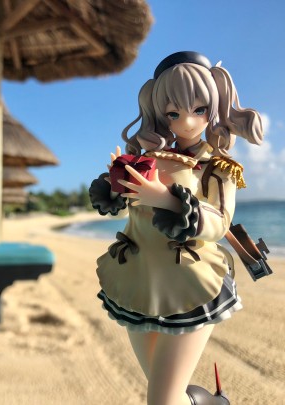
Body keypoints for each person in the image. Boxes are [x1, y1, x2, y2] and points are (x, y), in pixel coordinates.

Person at [89, 51, 264, 405]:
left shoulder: (219, 168)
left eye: (199, 109)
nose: (186, 121)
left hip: (190, 283)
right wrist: (118, 184)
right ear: (160, 112)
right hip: (137, 280)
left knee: (162, 400)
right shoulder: (147, 158)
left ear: (213, 107)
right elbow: (129, 211)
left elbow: (218, 223)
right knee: (166, 394)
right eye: (173, 113)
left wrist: (167, 200)